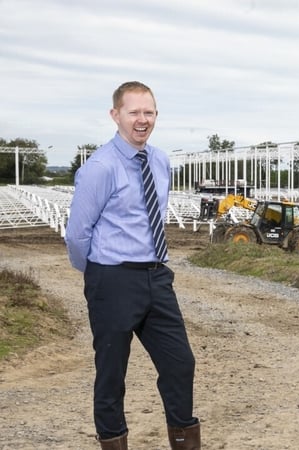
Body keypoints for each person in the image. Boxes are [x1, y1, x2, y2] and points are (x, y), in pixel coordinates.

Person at [65, 81, 201, 450]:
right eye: (134, 112)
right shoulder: (100, 168)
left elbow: (151, 216)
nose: (142, 120)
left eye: (149, 112)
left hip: (157, 276)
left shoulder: (160, 160)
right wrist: (98, 275)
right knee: (112, 374)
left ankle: (183, 440)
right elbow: (77, 234)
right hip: (112, 279)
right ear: (116, 115)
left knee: (180, 364)